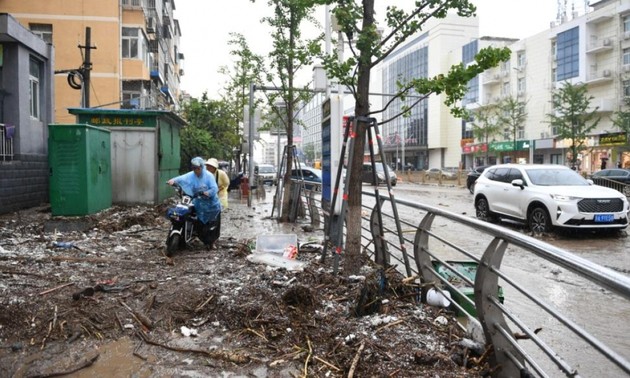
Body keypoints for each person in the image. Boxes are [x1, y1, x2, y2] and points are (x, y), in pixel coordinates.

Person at [167, 157, 221, 249]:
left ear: (202, 167)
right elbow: (181, 178)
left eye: (198, 168)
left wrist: (207, 193)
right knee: (199, 222)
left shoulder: (208, 176)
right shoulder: (191, 175)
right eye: (194, 168)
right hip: (199, 203)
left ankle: (211, 243)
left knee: (212, 225)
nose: (196, 170)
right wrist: (173, 181)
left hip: (211, 204)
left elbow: (214, 188)